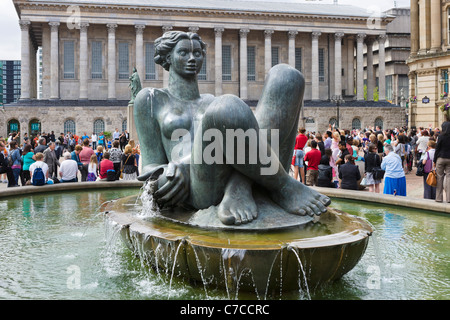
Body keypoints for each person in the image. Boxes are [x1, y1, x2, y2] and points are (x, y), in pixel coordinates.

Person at [134, 30, 330, 225]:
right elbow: (149, 168)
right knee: (227, 107)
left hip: (236, 168)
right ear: (168, 57)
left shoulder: (211, 100)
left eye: (197, 53)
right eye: (184, 53)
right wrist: (169, 174)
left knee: (287, 77)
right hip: (197, 186)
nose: (192, 58)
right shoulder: (151, 99)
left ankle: (240, 186)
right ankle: (284, 185)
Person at [433, 121, 450, 203]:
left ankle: (439, 198)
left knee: (439, 177)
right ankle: (449, 198)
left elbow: (437, 148)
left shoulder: (440, 136)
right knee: (449, 178)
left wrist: (434, 160)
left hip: (440, 158)